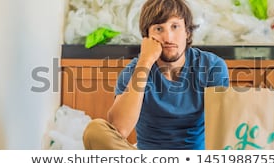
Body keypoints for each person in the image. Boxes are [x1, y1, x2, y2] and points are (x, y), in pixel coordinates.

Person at [82, 0, 229, 150]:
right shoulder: (135, 70)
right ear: (147, 37)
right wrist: (145, 62)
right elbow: (120, 129)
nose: (168, 38)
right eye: (159, 28)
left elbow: (221, 128)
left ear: (187, 32)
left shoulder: (212, 66)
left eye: (175, 27)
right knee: (95, 131)